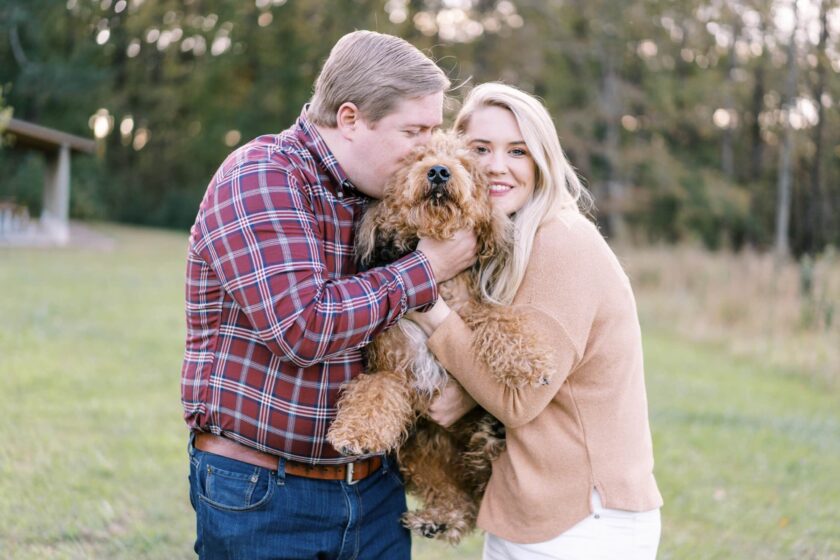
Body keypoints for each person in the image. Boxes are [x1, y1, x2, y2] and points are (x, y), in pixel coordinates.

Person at [180, 31, 477, 560]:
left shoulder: (384, 193)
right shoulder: (264, 176)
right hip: (264, 493)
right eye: (415, 130)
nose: (431, 148)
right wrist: (425, 268)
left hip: (374, 492)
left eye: (436, 130)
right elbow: (303, 328)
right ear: (349, 119)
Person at [408, 83, 664, 560]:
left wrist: (427, 302)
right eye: (480, 149)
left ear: (541, 161)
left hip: (581, 523)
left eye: (517, 151)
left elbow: (519, 396)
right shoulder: (510, 243)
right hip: (534, 512)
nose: (495, 166)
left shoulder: (561, 244)